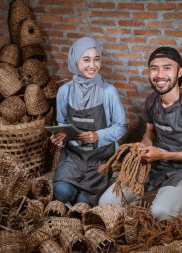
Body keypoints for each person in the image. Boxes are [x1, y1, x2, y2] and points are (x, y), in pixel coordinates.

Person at [99, 46, 182, 221]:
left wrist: (165, 154)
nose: (159, 74)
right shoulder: (152, 100)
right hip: (155, 166)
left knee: (160, 213)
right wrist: (144, 146)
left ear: (180, 71)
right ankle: (158, 195)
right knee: (106, 202)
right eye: (154, 68)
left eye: (167, 68)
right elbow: (150, 133)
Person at [50, 37, 127, 206]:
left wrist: (98, 135)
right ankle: (70, 187)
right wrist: (59, 138)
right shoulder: (65, 92)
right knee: (62, 192)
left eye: (96, 59)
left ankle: (85, 194)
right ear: (75, 61)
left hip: (100, 159)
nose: (93, 65)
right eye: (86, 60)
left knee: (83, 203)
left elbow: (121, 126)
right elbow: (61, 124)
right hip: (74, 157)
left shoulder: (109, 92)